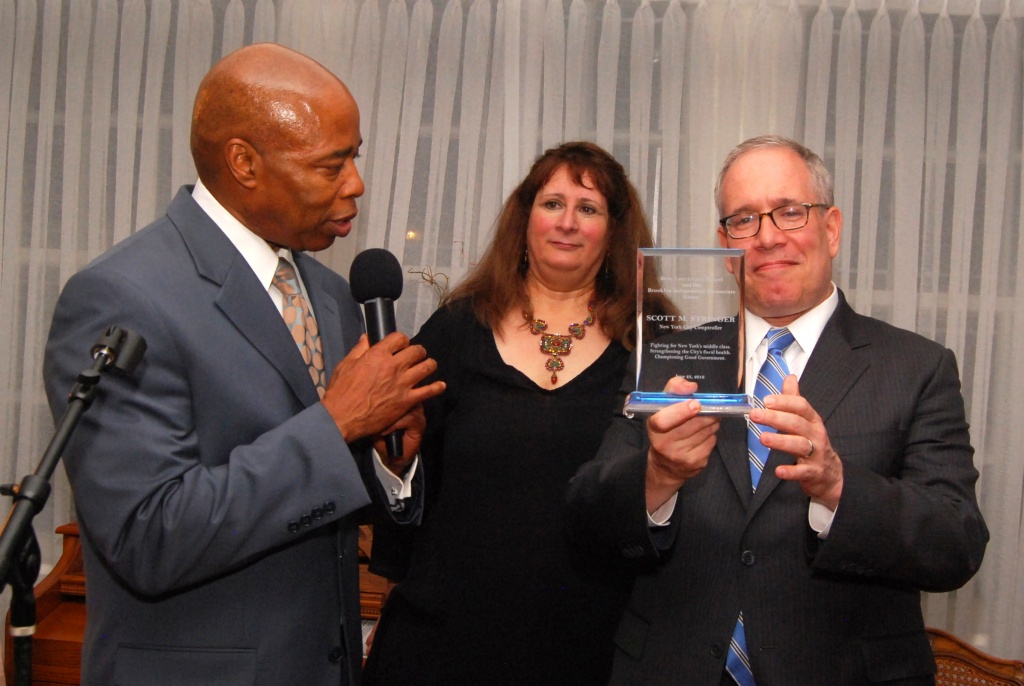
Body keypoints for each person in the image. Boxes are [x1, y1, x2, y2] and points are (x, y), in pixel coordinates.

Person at [42, 43, 445, 686]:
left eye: (356, 157)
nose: (356, 184)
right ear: (244, 163)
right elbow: (148, 535)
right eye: (332, 164)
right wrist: (337, 423)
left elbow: (323, 503)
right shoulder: (122, 296)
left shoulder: (331, 294)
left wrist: (388, 464)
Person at [565, 135, 989, 685]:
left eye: (790, 212)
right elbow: (585, 522)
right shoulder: (671, 358)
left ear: (831, 228)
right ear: (724, 245)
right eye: (744, 220)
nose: (767, 237)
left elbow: (956, 544)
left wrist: (838, 487)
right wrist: (656, 477)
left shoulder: (916, 367)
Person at [362, 142, 666, 684]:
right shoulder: (456, 330)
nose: (567, 222)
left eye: (588, 208)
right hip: (442, 645)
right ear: (524, 218)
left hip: (591, 650)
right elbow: (403, 484)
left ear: (615, 231)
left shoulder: (652, 345)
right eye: (552, 204)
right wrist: (396, 465)